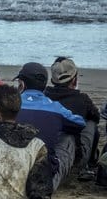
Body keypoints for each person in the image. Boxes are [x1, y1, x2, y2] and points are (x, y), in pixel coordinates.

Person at [14, 62, 86, 191]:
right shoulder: (55, 107)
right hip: (43, 182)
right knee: (68, 137)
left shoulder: (9, 106)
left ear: (22, 84)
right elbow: (80, 124)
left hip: (9, 174)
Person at [43, 57, 100, 181]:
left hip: (46, 152)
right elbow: (96, 116)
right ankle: (90, 163)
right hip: (73, 155)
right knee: (91, 123)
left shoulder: (44, 96)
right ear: (74, 79)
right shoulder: (82, 99)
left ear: (53, 79)